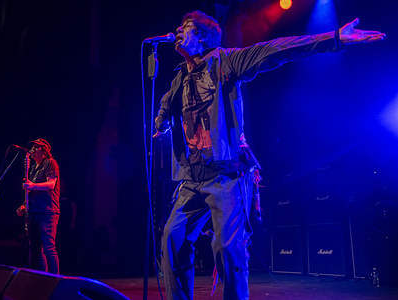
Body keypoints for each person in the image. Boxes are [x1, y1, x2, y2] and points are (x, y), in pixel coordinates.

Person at [153, 11, 385, 300]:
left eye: (185, 27)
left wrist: (333, 38)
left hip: (225, 175)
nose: (177, 30)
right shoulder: (180, 78)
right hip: (191, 179)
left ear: (202, 38)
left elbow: (277, 49)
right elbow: (166, 103)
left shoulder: (227, 61)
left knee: (228, 248)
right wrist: (161, 122)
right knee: (171, 239)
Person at [16, 138, 60, 274]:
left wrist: (32, 185)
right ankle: (44, 277)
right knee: (36, 247)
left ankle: (56, 279)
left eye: (37, 147)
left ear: (44, 151)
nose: (33, 149)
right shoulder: (33, 169)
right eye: (33, 147)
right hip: (34, 212)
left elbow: (51, 184)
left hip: (47, 211)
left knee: (48, 247)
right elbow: (32, 191)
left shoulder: (50, 163)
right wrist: (24, 205)